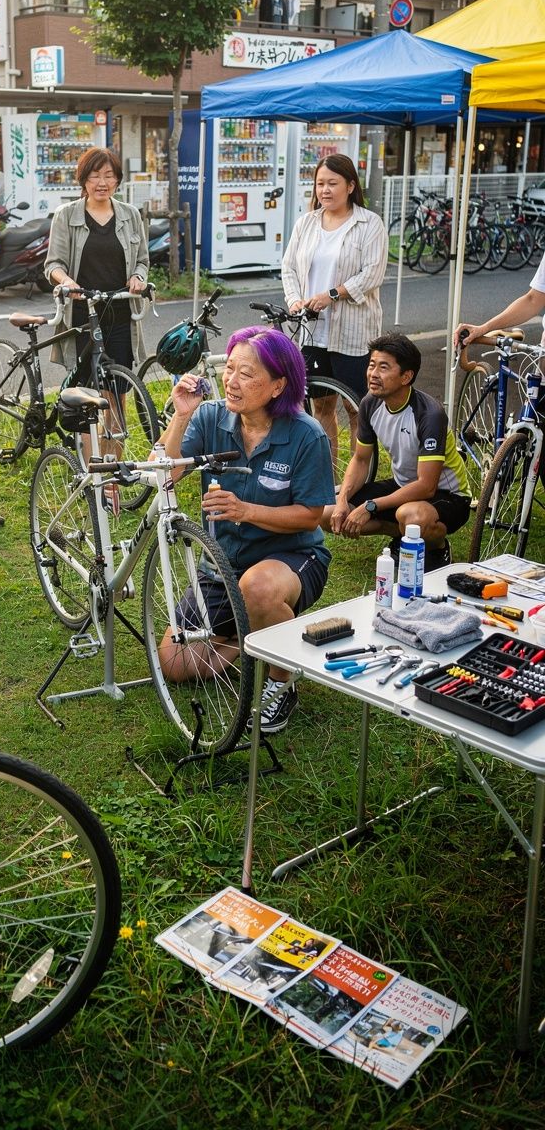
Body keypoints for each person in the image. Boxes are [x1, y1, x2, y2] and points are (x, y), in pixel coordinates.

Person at [160, 325, 335, 735]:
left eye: (246, 373)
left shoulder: (306, 435)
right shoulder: (209, 418)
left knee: (257, 589)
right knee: (176, 662)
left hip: (290, 559)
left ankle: (282, 682)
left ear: (278, 386)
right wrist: (181, 416)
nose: (231, 381)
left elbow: (311, 515)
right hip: (221, 565)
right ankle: (256, 637)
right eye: (229, 368)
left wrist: (246, 510)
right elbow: (170, 474)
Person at [324, 334, 470, 569]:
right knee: (327, 509)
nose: (373, 374)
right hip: (403, 486)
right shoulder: (370, 403)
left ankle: (438, 547)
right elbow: (361, 460)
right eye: (371, 365)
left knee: (412, 517)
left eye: (383, 368)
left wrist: (370, 506)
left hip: (447, 495)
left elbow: (426, 486)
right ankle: (402, 535)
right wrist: (342, 500)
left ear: (406, 376)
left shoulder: (430, 415)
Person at [281, 153, 387, 474]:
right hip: (312, 331)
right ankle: (328, 475)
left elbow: (372, 274)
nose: (325, 190)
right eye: (320, 184)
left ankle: (358, 479)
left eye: (332, 183)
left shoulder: (369, 224)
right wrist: (295, 300)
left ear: (350, 186)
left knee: (356, 408)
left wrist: (332, 294)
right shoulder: (306, 223)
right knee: (320, 406)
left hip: (354, 332)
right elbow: (289, 267)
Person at [45, 147, 148, 474]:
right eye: (95, 176)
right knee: (88, 399)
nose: (102, 182)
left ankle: (113, 472)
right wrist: (67, 282)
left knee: (117, 396)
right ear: (83, 180)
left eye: (109, 175)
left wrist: (138, 277)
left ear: (118, 180)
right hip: (82, 316)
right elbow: (53, 264)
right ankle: (93, 473)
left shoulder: (130, 215)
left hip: (120, 314)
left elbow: (143, 261)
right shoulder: (67, 215)